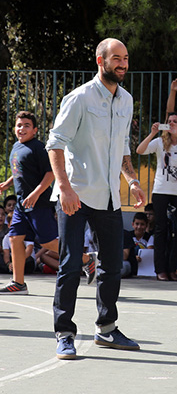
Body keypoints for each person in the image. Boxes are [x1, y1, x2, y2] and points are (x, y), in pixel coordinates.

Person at [46, 38, 145, 359]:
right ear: (100, 61)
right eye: (116, 58)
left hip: (110, 198)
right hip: (75, 193)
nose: (123, 64)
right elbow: (55, 143)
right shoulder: (79, 98)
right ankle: (64, 333)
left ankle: (106, 329)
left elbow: (123, 147)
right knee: (71, 264)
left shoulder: (126, 100)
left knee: (113, 266)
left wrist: (132, 180)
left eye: (126, 58)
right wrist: (64, 188)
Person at [0, 111, 98, 294]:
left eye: (26, 125)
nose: (21, 129)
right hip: (22, 204)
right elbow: (20, 171)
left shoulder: (38, 148)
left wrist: (36, 194)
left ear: (35, 130)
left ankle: (86, 259)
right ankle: (18, 283)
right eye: (19, 125)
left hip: (38, 203)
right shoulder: (16, 147)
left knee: (48, 242)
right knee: (14, 238)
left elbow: (50, 173)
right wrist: (7, 184)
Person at [136, 112, 177, 281]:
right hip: (161, 190)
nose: (171, 124)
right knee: (161, 230)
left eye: (175, 122)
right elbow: (140, 150)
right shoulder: (160, 142)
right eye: (169, 122)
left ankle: (173, 268)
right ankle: (160, 269)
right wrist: (153, 133)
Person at [122, 212, 149, 278]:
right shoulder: (129, 235)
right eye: (137, 224)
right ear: (132, 224)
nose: (139, 227)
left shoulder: (149, 238)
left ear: (146, 226)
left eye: (142, 224)